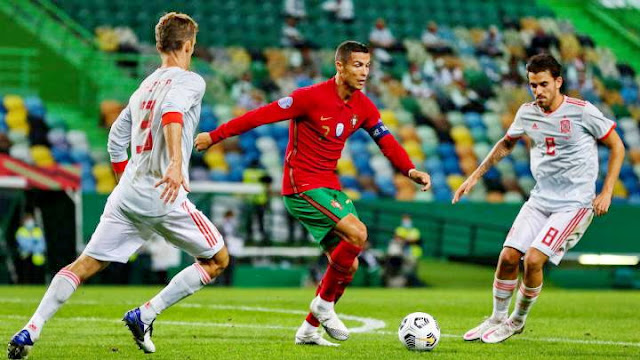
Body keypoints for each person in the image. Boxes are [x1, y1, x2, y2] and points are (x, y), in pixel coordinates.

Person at [8, 12, 229, 359]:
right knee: (217, 259)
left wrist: (125, 179)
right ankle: (146, 314)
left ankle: (30, 329)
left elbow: (115, 139)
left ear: (158, 45)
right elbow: (172, 112)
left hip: (128, 193)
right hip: (163, 195)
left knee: (83, 265)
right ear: (189, 45)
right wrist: (173, 163)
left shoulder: (143, 88)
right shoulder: (191, 82)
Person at [195, 41, 431, 346]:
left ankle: (308, 330)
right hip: (300, 185)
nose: (364, 72)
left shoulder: (364, 106)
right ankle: (323, 307)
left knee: (349, 261)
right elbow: (260, 116)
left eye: (368, 66)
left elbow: (386, 142)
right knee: (358, 234)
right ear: (340, 66)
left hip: (328, 185)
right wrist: (215, 135)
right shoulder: (309, 97)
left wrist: (410, 170)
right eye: (357, 65)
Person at [453, 53, 624, 344]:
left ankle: (516, 322)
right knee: (508, 257)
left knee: (533, 260)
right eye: (533, 85)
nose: (538, 91)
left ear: (558, 82)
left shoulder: (582, 111)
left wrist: (606, 191)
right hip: (540, 199)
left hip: (575, 204)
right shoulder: (527, 112)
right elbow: (506, 144)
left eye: (543, 84)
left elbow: (617, 146)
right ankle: (495, 318)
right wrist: (474, 177)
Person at [15, 213, 46, 284]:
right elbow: (23, 244)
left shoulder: (38, 230)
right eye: (28, 220)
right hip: (25, 257)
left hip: (37, 259)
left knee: (38, 278)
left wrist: (32, 244)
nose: (30, 222)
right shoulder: (21, 231)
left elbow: (42, 245)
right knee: (25, 276)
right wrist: (34, 242)